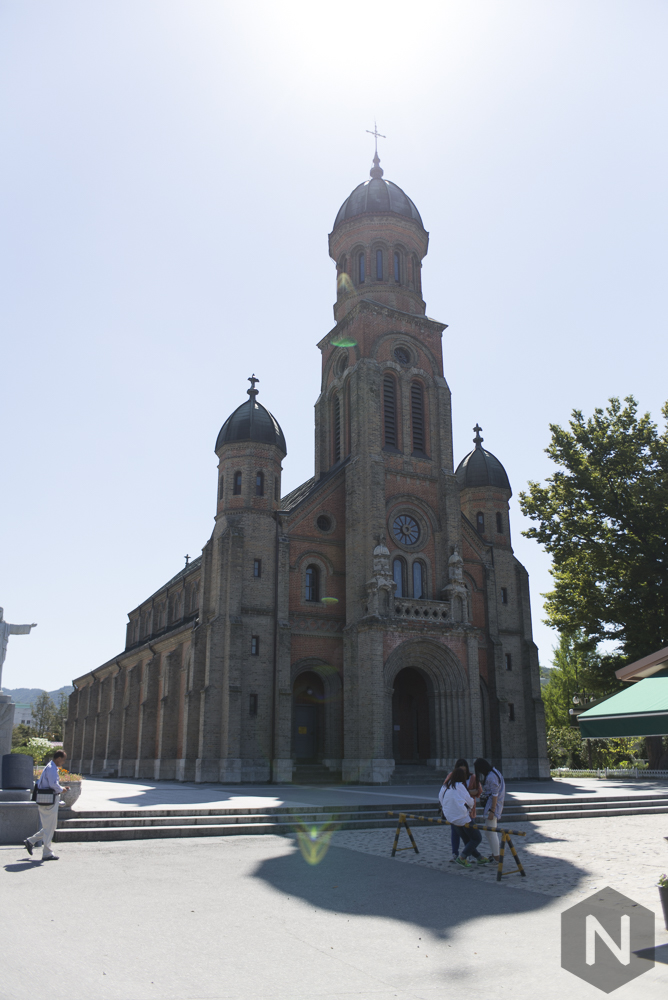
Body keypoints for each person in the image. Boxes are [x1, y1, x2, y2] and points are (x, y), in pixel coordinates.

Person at [24, 749, 69, 861]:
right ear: (58, 758)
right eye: (63, 760)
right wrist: (62, 789)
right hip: (49, 801)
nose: (63, 762)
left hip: (45, 800)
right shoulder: (51, 768)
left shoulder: (49, 767)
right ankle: (47, 853)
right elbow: (53, 784)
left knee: (50, 827)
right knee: (49, 827)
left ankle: (31, 841)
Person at [438, 766, 487, 868]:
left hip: (451, 817)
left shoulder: (445, 786)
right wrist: (468, 807)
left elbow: (441, 799)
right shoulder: (460, 786)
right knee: (477, 838)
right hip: (461, 817)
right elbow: (470, 801)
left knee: (466, 839)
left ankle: (479, 858)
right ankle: (462, 858)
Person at [474, 757, 505, 863]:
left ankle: (497, 856)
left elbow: (495, 794)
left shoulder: (492, 776)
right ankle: (495, 853)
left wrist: (492, 811)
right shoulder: (494, 772)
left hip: (493, 806)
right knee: (489, 831)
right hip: (492, 805)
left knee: (491, 832)